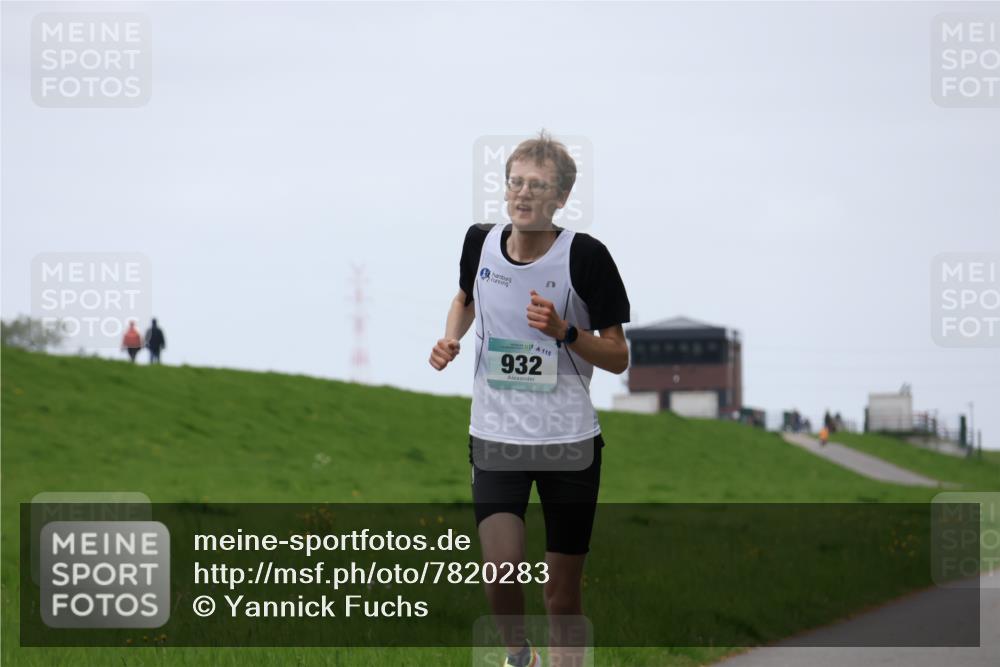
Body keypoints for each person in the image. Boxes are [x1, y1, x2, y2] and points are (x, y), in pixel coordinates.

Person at [429, 131, 630, 667]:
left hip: (569, 443)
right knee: (500, 568)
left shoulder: (585, 258)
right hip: (496, 437)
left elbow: (617, 355)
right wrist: (452, 336)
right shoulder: (480, 241)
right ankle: (519, 655)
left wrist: (566, 333)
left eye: (536, 186)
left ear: (560, 198)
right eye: (514, 182)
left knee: (561, 595)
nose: (521, 194)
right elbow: (465, 297)